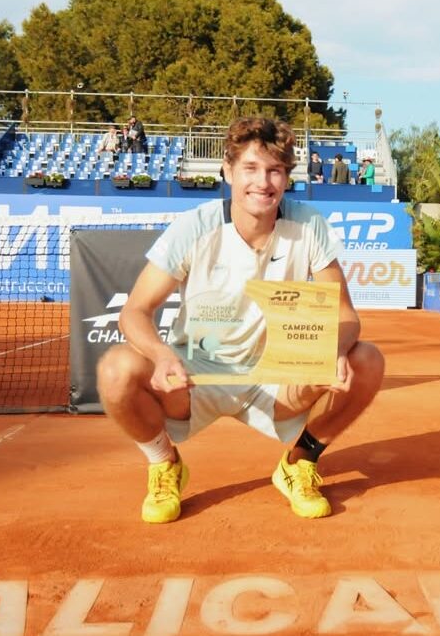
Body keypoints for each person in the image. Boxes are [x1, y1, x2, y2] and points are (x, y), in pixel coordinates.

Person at [96, 117, 385, 524]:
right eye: (250, 169)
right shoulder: (194, 227)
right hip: (196, 377)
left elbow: (345, 315)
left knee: (367, 360)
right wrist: (161, 355)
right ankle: (164, 464)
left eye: (275, 171)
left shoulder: (308, 225)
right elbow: (135, 311)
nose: (262, 182)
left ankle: (299, 462)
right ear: (229, 171)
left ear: (286, 178)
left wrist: (334, 350)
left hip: (277, 376)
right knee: (116, 370)